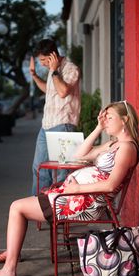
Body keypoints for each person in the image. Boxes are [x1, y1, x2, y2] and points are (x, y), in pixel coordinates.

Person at [0, 100, 139, 276]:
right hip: (75, 196)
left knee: (17, 208)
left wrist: (77, 188)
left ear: (125, 120)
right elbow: (79, 155)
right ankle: (12, 251)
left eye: (110, 117)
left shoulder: (127, 148)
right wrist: (98, 127)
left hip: (85, 202)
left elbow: (111, 185)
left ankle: (9, 268)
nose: (106, 121)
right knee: (21, 206)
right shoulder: (114, 144)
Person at [29, 39, 81, 195]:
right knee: (39, 169)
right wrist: (34, 75)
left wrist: (54, 70)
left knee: (61, 173)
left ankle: (59, 214)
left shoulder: (70, 69)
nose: (43, 63)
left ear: (53, 56)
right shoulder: (53, 72)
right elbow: (49, 90)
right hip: (46, 126)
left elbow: (63, 91)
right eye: (40, 61)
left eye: (44, 60)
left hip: (63, 125)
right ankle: (38, 207)